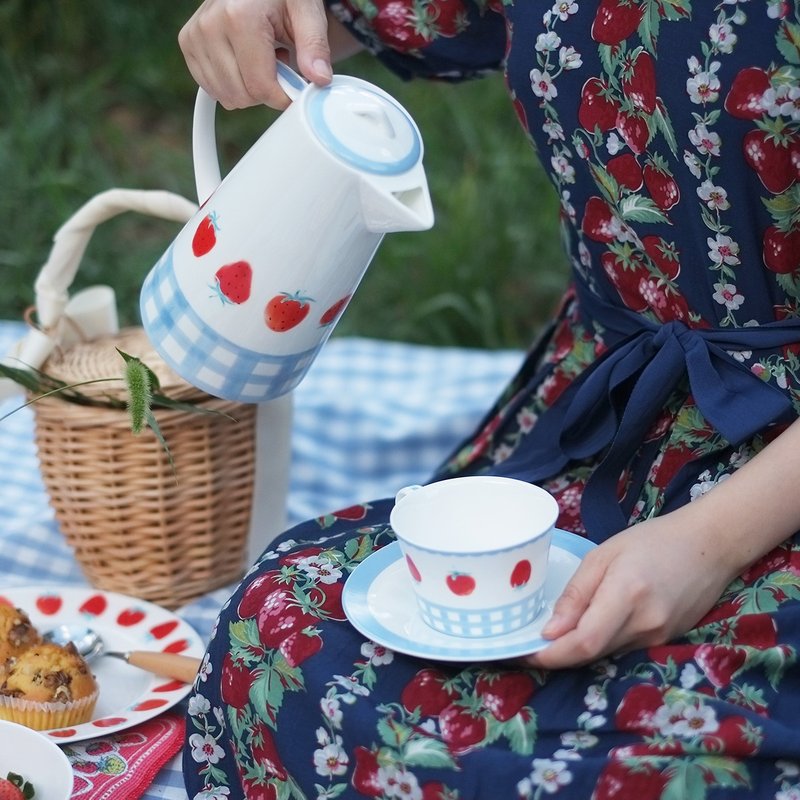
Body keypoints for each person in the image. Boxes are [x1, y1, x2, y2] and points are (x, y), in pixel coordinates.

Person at [179, 1, 800, 797]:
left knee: (601, 770)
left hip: (773, 486)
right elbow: (396, 19)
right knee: (280, 638)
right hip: (613, 425)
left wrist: (707, 545)